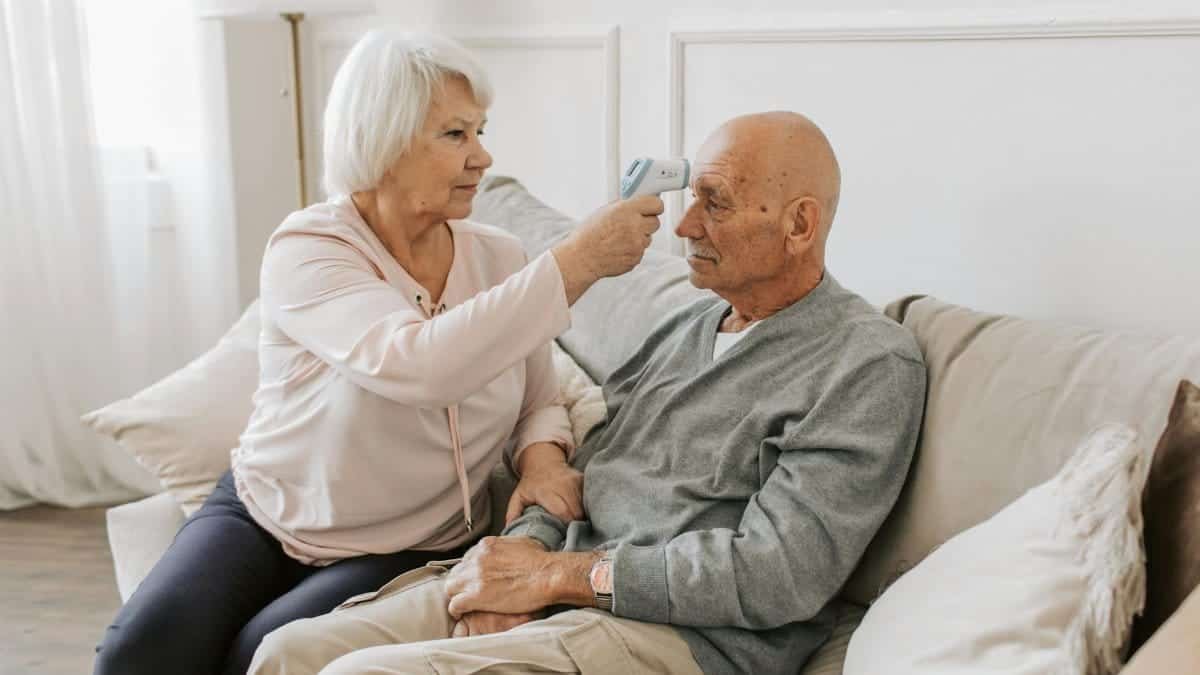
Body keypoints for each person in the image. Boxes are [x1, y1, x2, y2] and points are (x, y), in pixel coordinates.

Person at [248, 111, 928, 675]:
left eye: (713, 202)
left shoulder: (866, 363)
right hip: (563, 585)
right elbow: (589, 469)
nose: (684, 226)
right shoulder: (692, 324)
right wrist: (518, 559)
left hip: (674, 636)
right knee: (287, 654)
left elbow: (778, 572)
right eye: (692, 198)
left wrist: (564, 578)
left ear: (799, 225)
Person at [93, 30, 664, 675]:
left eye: (480, 131)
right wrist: (578, 261)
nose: (483, 157)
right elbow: (417, 363)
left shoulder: (500, 257)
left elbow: (538, 397)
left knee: (261, 654)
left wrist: (540, 461)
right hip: (265, 516)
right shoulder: (310, 249)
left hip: (412, 542)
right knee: (137, 653)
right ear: (384, 141)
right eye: (456, 135)